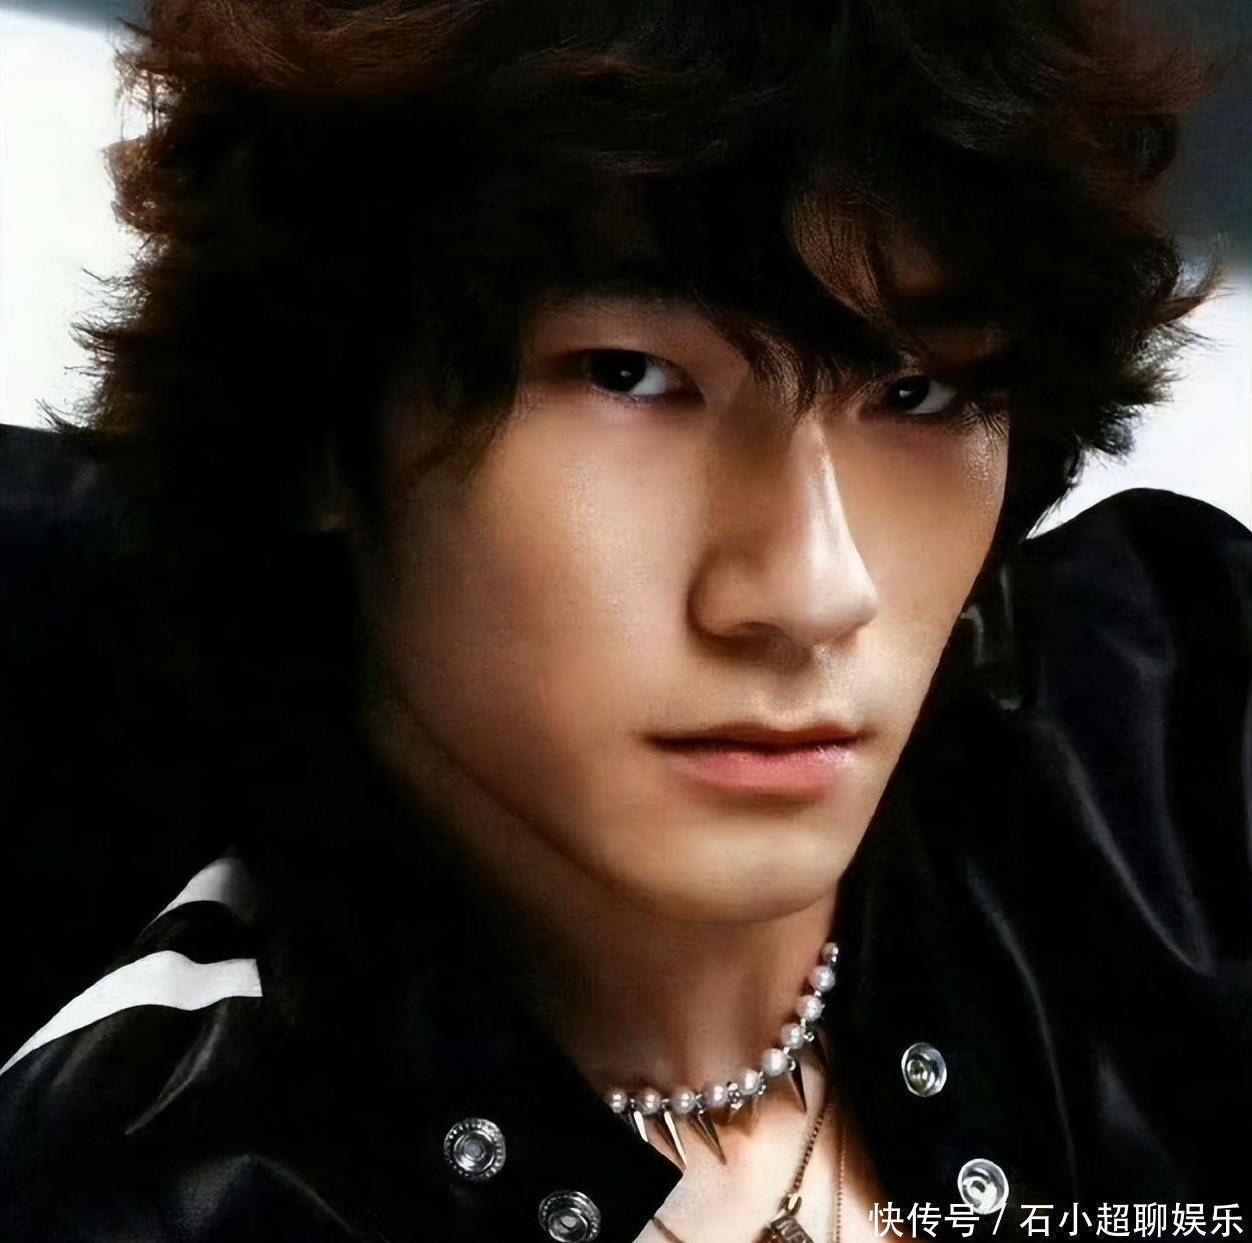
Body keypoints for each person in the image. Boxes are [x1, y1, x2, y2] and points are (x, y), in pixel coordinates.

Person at [1, 0, 1249, 1240]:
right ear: (324, 427)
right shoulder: (163, 1197)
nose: (814, 590)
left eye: (916, 393)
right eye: (629, 375)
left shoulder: (1178, 738)